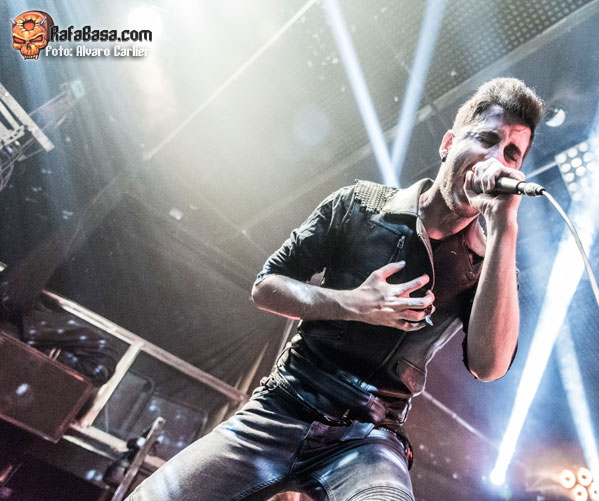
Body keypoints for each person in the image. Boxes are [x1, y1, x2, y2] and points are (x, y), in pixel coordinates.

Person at [128, 77, 544, 501]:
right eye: (486, 139)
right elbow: (266, 286)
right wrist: (352, 304)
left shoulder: (486, 265)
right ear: (449, 143)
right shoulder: (360, 204)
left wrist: (504, 228)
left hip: (371, 438)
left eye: (511, 153)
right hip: (283, 405)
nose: (496, 158)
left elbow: (489, 366)